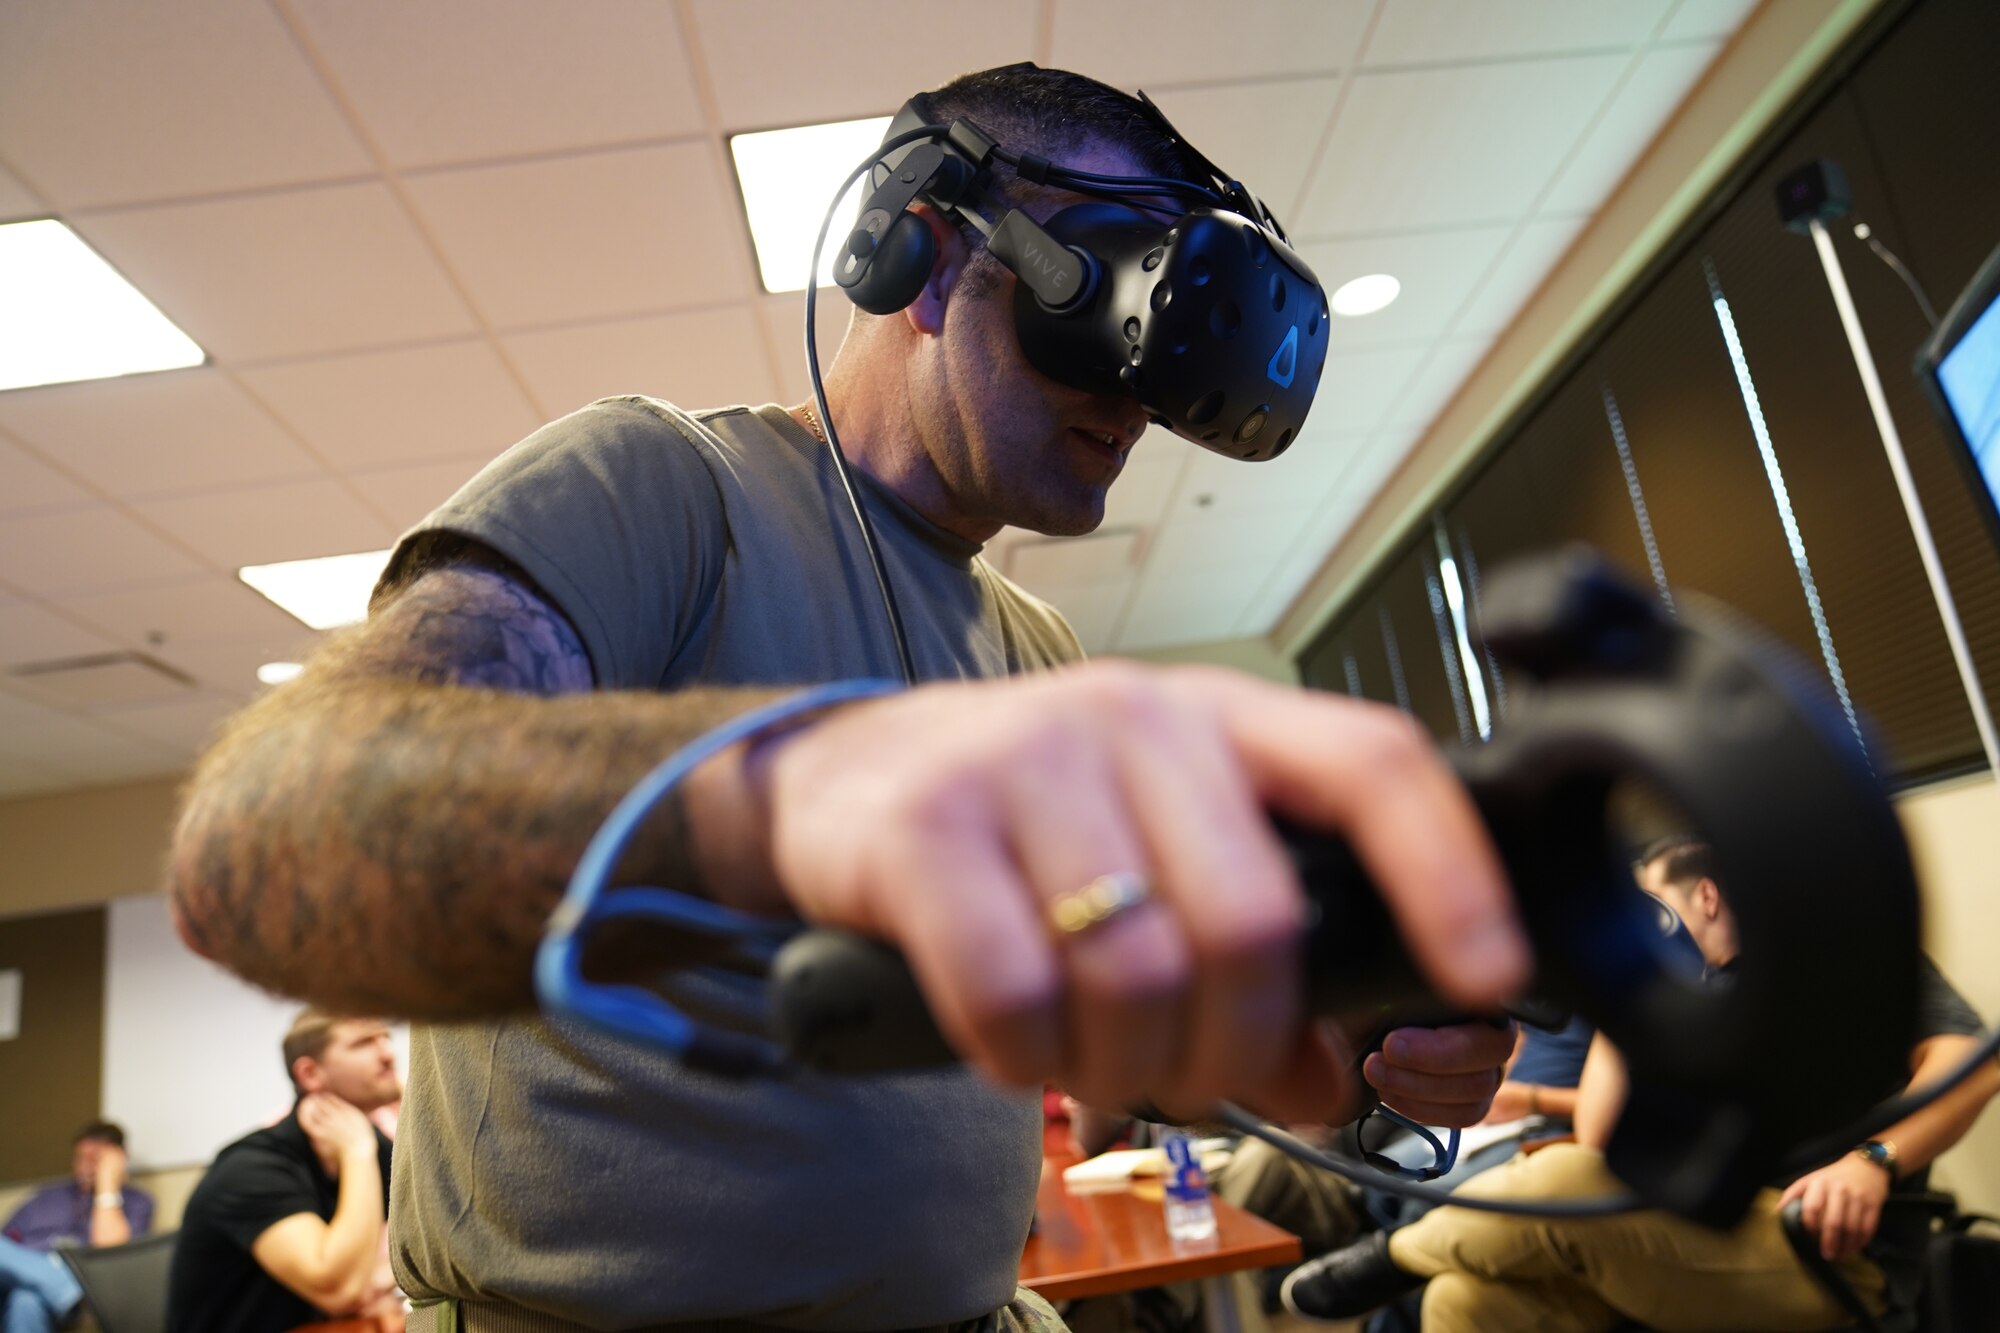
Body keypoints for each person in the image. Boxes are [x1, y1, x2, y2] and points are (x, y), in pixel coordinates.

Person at [164, 64, 1525, 1332]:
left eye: (1162, 352)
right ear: (921, 254)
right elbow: (274, 841)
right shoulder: (661, 495)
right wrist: (785, 802)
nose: (1133, 399)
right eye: (1101, 307)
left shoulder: (1035, 652)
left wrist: (1362, 1038)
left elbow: (1144, 1036)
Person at [1280, 837, 2000, 1332]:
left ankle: (1391, 1257)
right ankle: (1412, 1261)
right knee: (1468, 1299)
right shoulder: (1692, 1007)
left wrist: (1874, 1161)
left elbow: (1975, 1057)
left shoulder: (1838, 955)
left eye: (1651, 906)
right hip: (1706, 1227)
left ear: (1708, 897)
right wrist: (1628, 994)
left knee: (1560, 1176)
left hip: (1826, 1246)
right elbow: (1600, 1136)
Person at [166, 1010, 402, 1333]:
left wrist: (375, 1278)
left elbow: (426, 1251)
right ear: (309, 1073)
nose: (388, 1055)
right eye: (363, 1043)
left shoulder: (376, 1146)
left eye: (385, 1038)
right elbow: (342, 1290)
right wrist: (356, 1152)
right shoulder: (251, 1169)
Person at [0, 1121, 153, 1333]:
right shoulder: (45, 1196)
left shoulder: (136, 1202)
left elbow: (110, 1255)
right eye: (80, 1158)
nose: (85, 1166)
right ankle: (67, 1292)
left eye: (95, 1158)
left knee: (26, 1302)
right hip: (20, 1273)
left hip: (75, 1274)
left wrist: (107, 1186)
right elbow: (6, 1246)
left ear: (119, 1158)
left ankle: (61, 1289)